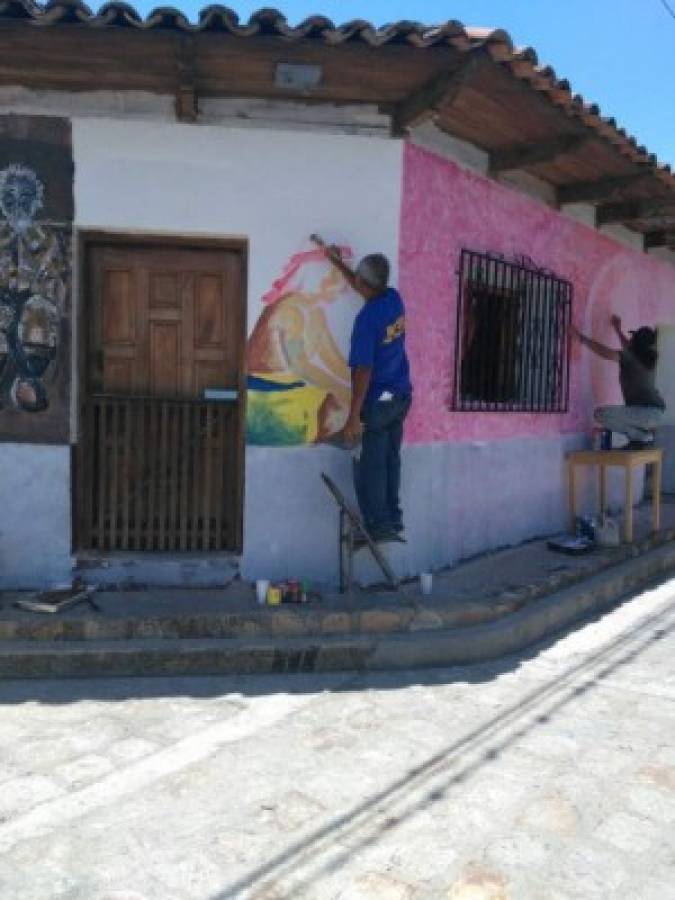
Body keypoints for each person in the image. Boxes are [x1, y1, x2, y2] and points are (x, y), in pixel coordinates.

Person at [321, 243, 413, 542]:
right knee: (389, 460)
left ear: (365, 284)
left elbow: (363, 371)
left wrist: (353, 418)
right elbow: (363, 286)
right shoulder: (393, 299)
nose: (356, 283)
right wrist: (339, 265)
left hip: (378, 402)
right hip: (400, 397)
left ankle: (377, 527)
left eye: (358, 279)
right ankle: (392, 520)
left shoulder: (366, 321)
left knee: (370, 466)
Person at [571, 315, 665, 449]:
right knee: (611, 417)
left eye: (633, 338)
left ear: (636, 343)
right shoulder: (648, 359)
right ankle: (641, 436)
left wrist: (581, 338)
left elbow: (606, 353)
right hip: (657, 414)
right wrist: (617, 330)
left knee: (601, 414)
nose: (630, 339)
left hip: (643, 413)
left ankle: (640, 436)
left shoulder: (630, 358)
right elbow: (629, 346)